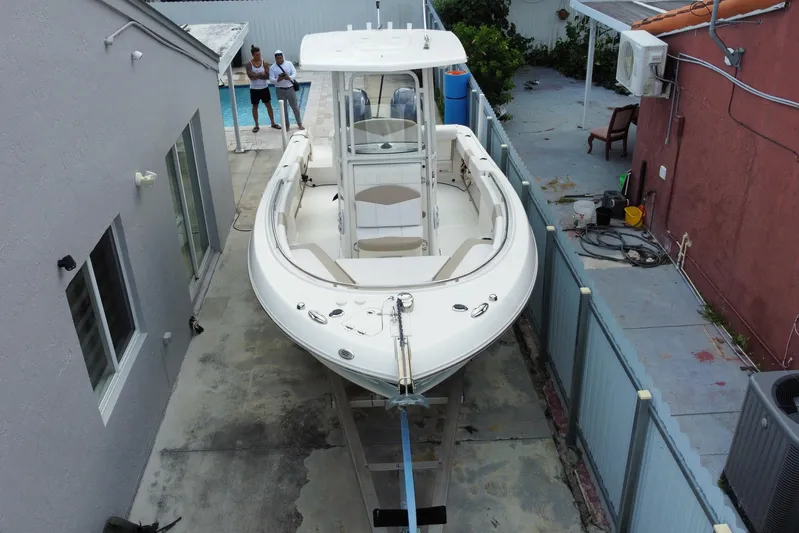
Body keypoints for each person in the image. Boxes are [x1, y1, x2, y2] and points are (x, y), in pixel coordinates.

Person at [245, 45, 279, 132]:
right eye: (256, 55)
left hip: (264, 88)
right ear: (253, 55)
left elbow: (267, 76)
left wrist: (258, 75)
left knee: (269, 105)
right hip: (254, 89)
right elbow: (251, 77)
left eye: (259, 54)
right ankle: (256, 125)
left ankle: (273, 122)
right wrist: (262, 74)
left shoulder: (265, 63)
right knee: (255, 106)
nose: (259, 56)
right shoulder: (249, 64)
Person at [269, 50, 304, 130]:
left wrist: (290, 77)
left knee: (295, 107)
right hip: (280, 90)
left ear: (282, 57)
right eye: (277, 59)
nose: (279, 60)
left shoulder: (289, 64)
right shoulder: (272, 68)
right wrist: (278, 80)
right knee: (283, 109)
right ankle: (286, 126)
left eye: (280, 58)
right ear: (275, 58)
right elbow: (271, 79)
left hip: (290, 89)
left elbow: (294, 72)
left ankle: (299, 123)